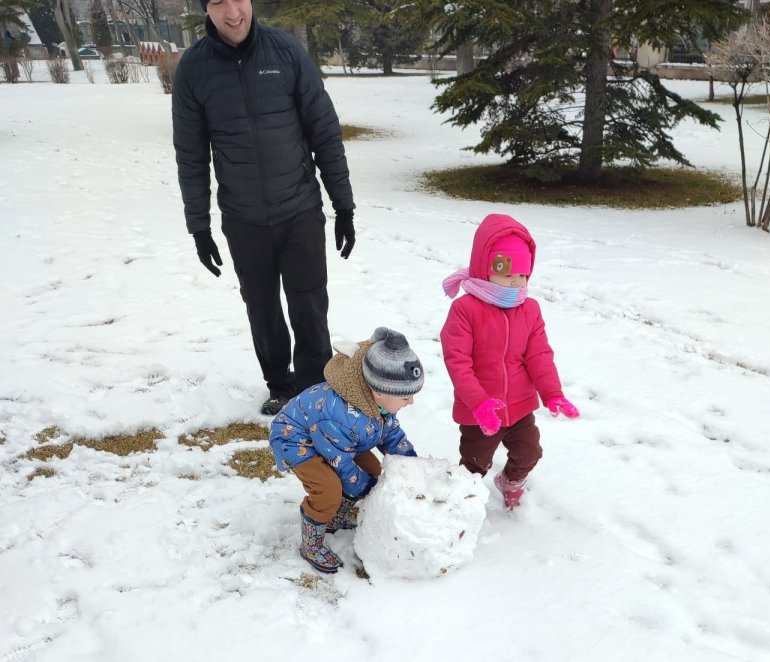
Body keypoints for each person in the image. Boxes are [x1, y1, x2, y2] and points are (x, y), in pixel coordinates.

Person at [172, 0, 356, 416]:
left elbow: (324, 131)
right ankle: (280, 384)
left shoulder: (286, 52)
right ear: (207, 8)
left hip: (300, 209)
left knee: (309, 302)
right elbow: (191, 153)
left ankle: (312, 387)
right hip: (244, 217)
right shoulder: (194, 69)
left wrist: (342, 206)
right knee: (262, 305)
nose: (231, 11)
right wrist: (198, 226)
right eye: (217, 2)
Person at [440, 213, 580, 510]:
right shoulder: (465, 310)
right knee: (474, 464)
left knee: (530, 453)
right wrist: (479, 403)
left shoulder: (529, 310)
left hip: (519, 406)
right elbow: (457, 361)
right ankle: (464, 504)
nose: (515, 283)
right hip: (479, 412)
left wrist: (553, 393)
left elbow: (539, 354)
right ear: (485, 268)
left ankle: (510, 481)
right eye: (506, 274)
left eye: (522, 276)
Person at [269, 327, 423, 573]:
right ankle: (312, 543)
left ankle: (334, 518)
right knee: (328, 490)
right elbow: (340, 463)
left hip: (340, 441)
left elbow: (391, 435)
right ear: (380, 391)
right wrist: (363, 488)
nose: (411, 402)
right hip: (297, 441)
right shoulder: (340, 414)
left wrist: (414, 468)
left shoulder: (379, 406)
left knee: (373, 472)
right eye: (405, 397)